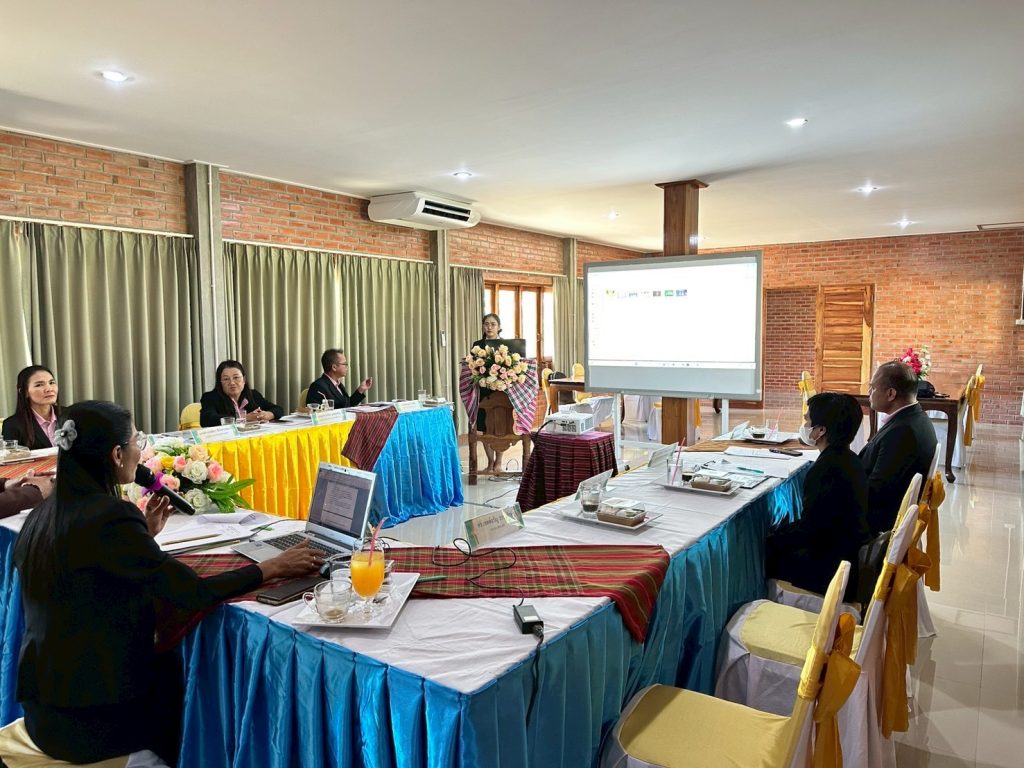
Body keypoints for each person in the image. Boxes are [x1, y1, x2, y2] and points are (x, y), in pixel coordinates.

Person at [13, 400, 323, 765]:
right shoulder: (109, 516)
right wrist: (272, 568)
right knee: (204, 692)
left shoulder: (42, 515)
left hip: (44, 711)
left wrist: (141, 538)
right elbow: (192, 592)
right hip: (91, 722)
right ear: (116, 454)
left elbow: (89, 576)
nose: (139, 450)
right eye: (136, 440)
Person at [766, 392, 871, 600]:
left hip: (831, 567)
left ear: (821, 430)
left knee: (767, 551)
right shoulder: (850, 459)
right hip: (847, 553)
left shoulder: (826, 469)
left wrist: (772, 538)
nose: (805, 425)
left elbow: (811, 530)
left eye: (808, 420)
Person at [860, 360, 938, 533]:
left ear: (891, 394)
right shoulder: (916, 417)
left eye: (873, 388)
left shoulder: (902, 432)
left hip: (874, 522)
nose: (869, 393)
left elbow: (876, 492)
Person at [199, 360, 283, 427]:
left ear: (244, 380)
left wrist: (267, 415)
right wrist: (244, 418)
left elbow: (278, 409)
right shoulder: (210, 397)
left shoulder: (253, 394)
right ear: (220, 383)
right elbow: (206, 420)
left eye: (236, 377)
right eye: (226, 379)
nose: (232, 383)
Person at [471, 313, 505, 474]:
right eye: (486, 324)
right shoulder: (477, 345)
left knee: (500, 428)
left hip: (501, 391)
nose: (489, 327)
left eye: (493, 324)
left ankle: (499, 462)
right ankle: (490, 463)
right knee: (485, 428)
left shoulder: (506, 345)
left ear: (499, 327)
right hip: (483, 391)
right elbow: (471, 366)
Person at [2, 365, 61, 449]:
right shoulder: (12, 425)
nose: (49, 389)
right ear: (24, 392)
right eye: (39, 385)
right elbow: (11, 456)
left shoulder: (72, 414)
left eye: (51, 383)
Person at [305, 348, 373, 409]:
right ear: (334, 367)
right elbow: (315, 413)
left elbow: (347, 406)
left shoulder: (338, 384)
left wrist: (361, 389)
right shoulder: (318, 387)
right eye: (345, 364)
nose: (347, 367)